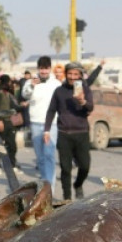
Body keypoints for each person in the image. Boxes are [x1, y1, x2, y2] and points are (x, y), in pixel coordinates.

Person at [44, 62, 94, 200]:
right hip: (64, 134)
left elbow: (90, 107)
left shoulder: (85, 89)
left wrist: (82, 101)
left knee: (85, 166)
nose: (72, 77)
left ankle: (78, 184)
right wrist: (46, 130)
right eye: (70, 74)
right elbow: (51, 111)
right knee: (65, 169)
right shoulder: (59, 91)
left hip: (82, 133)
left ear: (80, 76)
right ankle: (67, 199)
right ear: (66, 74)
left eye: (75, 74)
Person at [21, 56, 61, 192]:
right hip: (36, 123)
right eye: (41, 69)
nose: (44, 71)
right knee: (40, 157)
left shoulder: (56, 84)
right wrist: (32, 85)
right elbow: (25, 95)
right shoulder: (30, 82)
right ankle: (45, 184)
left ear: (50, 69)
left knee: (49, 155)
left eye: (46, 69)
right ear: (38, 69)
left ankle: (50, 188)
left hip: (52, 124)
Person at [0, 74, 20, 172]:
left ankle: (12, 164)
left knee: (12, 145)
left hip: (9, 121)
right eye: (9, 82)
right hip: (1, 121)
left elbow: (14, 105)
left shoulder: (9, 92)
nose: (10, 84)